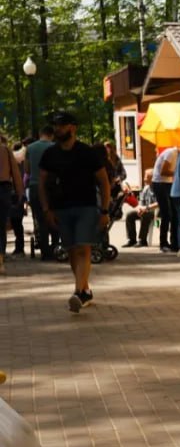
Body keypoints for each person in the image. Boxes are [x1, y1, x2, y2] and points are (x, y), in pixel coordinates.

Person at [37, 111, 112, 313]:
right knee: (71, 250)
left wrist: (104, 210)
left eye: (62, 125)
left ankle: (78, 292)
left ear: (73, 127)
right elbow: (42, 185)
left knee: (82, 248)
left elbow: (104, 182)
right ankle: (84, 291)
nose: (57, 129)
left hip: (86, 207)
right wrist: (46, 209)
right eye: (55, 125)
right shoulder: (50, 155)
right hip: (60, 208)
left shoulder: (87, 152)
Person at [25, 125, 57, 260]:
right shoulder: (55, 147)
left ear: (40, 133)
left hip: (35, 186)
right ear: (52, 135)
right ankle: (56, 248)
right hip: (52, 187)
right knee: (54, 218)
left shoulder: (30, 148)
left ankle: (45, 253)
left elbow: (27, 170)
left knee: (40, 220)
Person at [0, 135, 24, 274]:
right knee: (0, 226)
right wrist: (20, 193)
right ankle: (0, 260)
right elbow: (15, 172)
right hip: (3, 188)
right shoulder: (5, 150)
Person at [152, 144, 179, 252]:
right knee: (166, 213)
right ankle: (163, 242)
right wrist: (177, 173)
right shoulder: (171, 153)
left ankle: (174, 241)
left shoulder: (177, 155)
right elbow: (163, 171)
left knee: (174, 212)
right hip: (160, 183)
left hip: (168, 183)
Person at [124, 169, 158, 248]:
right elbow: (141, 201)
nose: (144, 178)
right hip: (144, 209)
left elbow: (158, 203)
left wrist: (145, 208)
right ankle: (131, 239)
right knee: (129, 215)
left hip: (155, 212)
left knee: (146, 215)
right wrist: (139, 208)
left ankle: (142, 240)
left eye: (146, 177)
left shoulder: (157, 189)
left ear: (152, 178)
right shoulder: (146, 188)